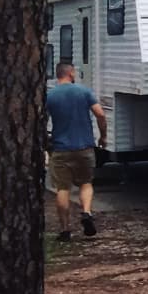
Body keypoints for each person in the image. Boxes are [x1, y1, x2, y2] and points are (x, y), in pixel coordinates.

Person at [47, 61, 107, 241]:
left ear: (58, 75)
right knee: (86, 183)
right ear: (71, 73)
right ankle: (86, 212)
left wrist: (45, 141)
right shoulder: (84, 91)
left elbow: (41, 119)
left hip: (61, 148)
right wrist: (103, 136)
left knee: (62, 189)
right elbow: (100, 114)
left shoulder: (50, 95)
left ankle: (65, 230)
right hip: (84, 147)